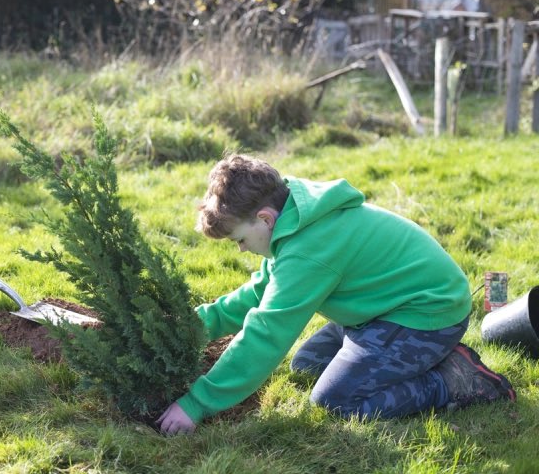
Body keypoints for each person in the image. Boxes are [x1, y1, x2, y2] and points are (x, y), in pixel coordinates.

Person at [157, 154, 516, 435]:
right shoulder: (296, 216)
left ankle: (451, 380)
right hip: (380, 309)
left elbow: (267, 332)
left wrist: (197, 404)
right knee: (307, 364)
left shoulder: (309, 250)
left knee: (336, 401)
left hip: (425, 314)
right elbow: (257, 293)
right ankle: (416, 358)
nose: (240, 250)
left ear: (265, 219)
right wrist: (187, 328)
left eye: (239, 240)